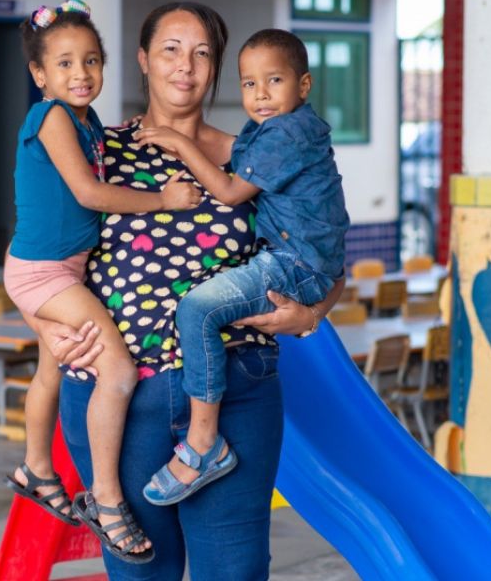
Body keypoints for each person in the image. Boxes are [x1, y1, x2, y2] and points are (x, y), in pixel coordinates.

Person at [31, 2, 344, 580]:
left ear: (218, 68)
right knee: (141, 572)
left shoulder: (255, 156)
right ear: (145, 60)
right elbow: (35, 250)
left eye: (202, 53)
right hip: (120, 397)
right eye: (171, 50)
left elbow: (323, 246)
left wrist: (311, 312)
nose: (186, 66)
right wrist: (48, 329)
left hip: (237, 393)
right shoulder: (96, 150)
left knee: (235, 569)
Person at [2, 0, 201, 564]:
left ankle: (36, 469)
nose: (80, 74)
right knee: (115, 367)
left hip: (55, 268)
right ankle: (108, 500)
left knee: (52, 366)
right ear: (40, 75)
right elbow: (90, 194)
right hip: (44, 274)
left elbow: (100, 162)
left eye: (91, 61)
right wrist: (163, 200)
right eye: (64, 64)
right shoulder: (53, 117)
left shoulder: (87, 123)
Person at [132, 28, 350, 505]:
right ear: (144, 59)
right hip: (300, 261)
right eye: (249, 84)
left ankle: (203, 442)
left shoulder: (288, 132)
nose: (261, 94)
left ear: (304, 85)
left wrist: (177, 142)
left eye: (274, 80)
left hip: (292, 264)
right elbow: (236, 156)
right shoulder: (270, 133)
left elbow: (231, 191)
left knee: (197, 311)